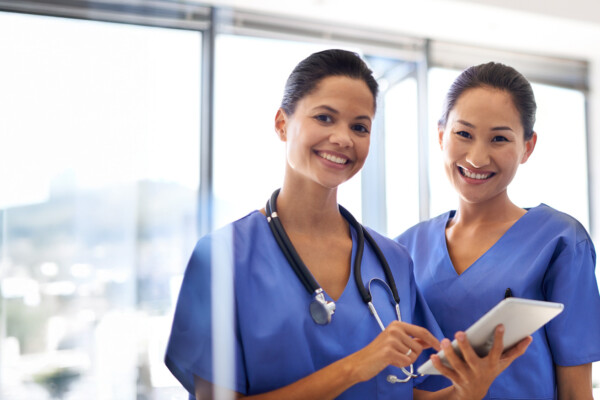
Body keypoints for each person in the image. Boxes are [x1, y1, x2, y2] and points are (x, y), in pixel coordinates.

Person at [165, 50, 529, 400]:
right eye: (324, 118)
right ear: (282, 124)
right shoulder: (223, 258)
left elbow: (405, 392)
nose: (342, 138)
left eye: (360, 126)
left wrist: (469, 390)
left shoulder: (392, 260)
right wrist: (356, 366)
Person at [395, 62, 600, 399]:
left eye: (499, 138)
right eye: (463, 134)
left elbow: (576, 392)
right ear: (441, 135)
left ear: (527, 147)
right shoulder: (403, 249)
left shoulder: (560, 241)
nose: (477, 157)